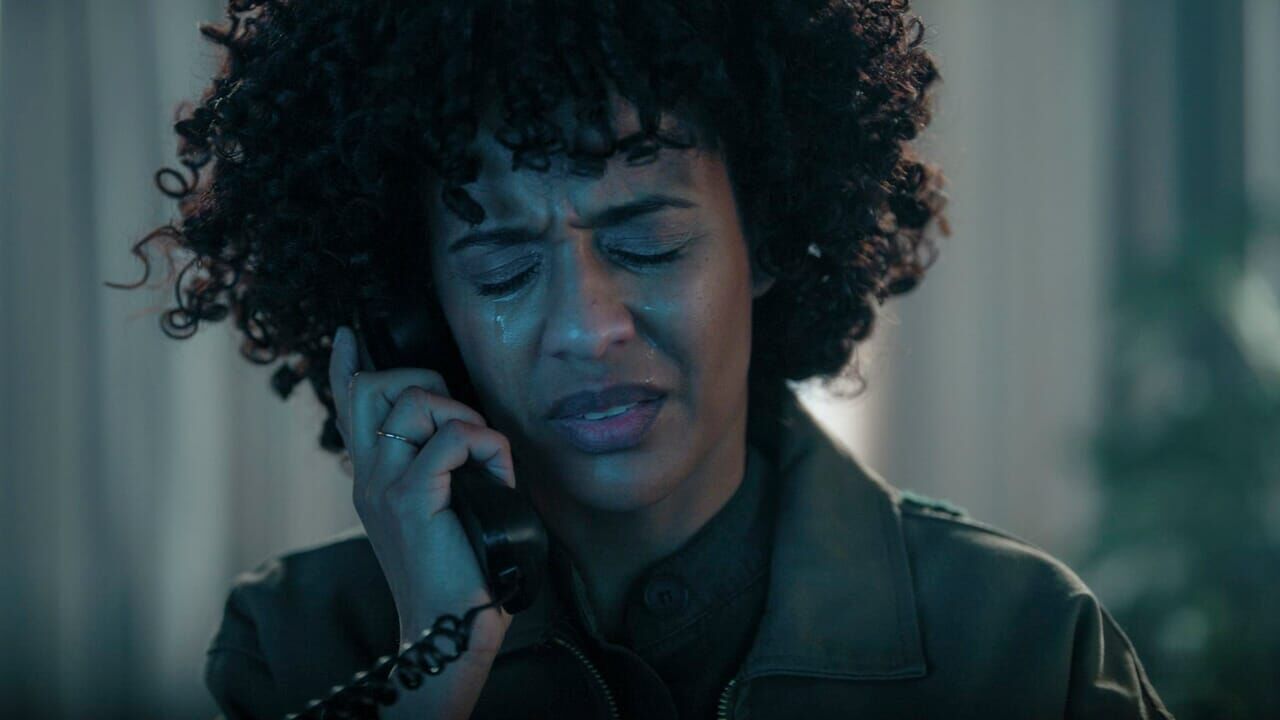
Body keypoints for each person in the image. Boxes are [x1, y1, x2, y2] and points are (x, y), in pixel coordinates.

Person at [107, 0, 1174, 718]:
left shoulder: (1026, 646)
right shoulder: (299, 645)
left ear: (767, 238)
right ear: (414, 313)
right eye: (502, 268)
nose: (587, 326)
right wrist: (435, 668)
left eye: (648, 243)